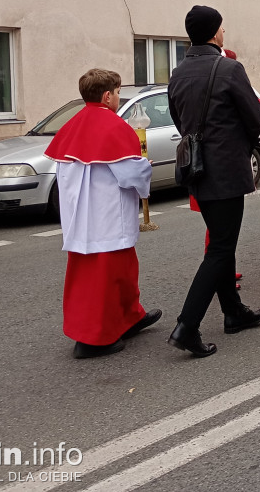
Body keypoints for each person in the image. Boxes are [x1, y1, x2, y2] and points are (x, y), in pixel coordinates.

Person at [167, 6, 260, 358]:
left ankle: (233, 311)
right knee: (221, 248)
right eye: (222, 28)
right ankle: (187, 325)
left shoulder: (178, 73)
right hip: (225, 167)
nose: (224, 33)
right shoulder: (228, 68)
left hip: (196, 168)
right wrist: (233, 142)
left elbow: (179, 120)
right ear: (214, 33)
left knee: (222, 241)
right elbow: (254, 118)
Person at [43, 68, 161, 358]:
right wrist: (145, 167)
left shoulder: (71, 126)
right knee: (106, 276)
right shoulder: (112, 126)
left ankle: (129, 318)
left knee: (116, 271)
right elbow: (130, 173)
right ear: (107, 96)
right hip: (107, 216)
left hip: (81, 219)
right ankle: (94, 339)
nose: (119, 98)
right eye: (118, 92)